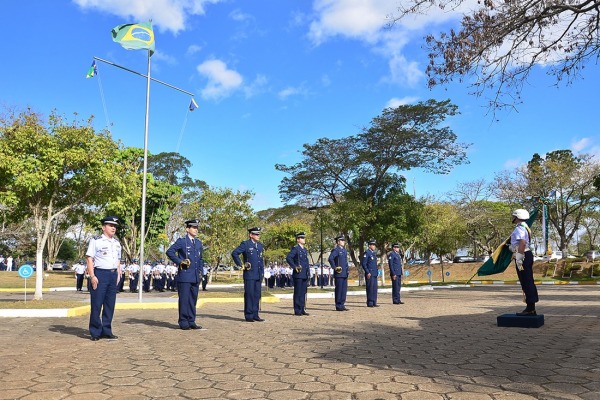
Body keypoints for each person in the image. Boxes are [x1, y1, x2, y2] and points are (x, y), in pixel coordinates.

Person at [86, 216, 122, 341]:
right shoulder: (96, 240)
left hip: (112, 275)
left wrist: (118, 273)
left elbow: (118, 260)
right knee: (97, 304)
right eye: (110, 225)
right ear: (103, 227)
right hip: (100, 274)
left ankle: (106, 330)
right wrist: (92, 276)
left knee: (109, 304)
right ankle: (95, 331)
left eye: (115, 226)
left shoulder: (117, 243)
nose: (113, 228)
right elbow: (89, 259)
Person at [166, 219, 204, 330]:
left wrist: (201, 272)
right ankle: (183, 321)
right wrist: (180, 262)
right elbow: (170, 252)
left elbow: (200, 259)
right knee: (184, 299)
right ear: (187, 229)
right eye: (193, 227)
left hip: (195, 276)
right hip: (185, 275)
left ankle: (191, 320)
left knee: (193, 299)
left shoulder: (198, 243)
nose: (195, 230)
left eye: (196, 228)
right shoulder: (182, 241)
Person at [231, 227, 265, 322]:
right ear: (251, 235)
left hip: (258, 274)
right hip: (250, 273)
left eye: (259, 234)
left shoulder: (260, 246)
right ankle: (249, 315)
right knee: (249, 294)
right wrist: (240, 264)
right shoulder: (246, 244)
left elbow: (260, 260)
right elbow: (235, 253)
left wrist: (262, 271)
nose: (258, 236)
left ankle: (255, 314)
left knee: (257, 294)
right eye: (256, 234)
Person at [510, 208, 538, 316]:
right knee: (527, 280)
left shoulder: (519, 228)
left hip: (523, 255)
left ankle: (530, 308)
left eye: (514, 216)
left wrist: (519, 258)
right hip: (526, 254)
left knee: (526, 281)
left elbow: (522, 243)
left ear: (517, 217)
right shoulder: (525, 227)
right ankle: (531, 307)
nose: (513, 218)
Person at [286, 232, 310, 316]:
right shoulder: (296, 249)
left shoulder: (304, 250)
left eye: (304, 238)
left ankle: (302, 308)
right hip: (298, 273)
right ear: (298, 240)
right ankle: (297, 310)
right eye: (302, 238)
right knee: (298, 292)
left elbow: (306, 263)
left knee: (303, 292)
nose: (304, 239)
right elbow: (289, 258)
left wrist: (308, 273)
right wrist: (294, 266)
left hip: (304, 274)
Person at [328, 235, 350, 311]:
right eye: (342, 240)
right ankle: (338, 305)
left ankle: (342, 304)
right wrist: (335, 267)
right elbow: (330, 259)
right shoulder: (336, 250)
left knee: (344, 290)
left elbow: (346, 262)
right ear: (338, 242)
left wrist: (347, 270)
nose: (344, 242)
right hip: (339, 273)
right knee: (339, 289)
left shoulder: (344, 250)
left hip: (344, 273)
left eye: (344, 240)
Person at [361, 239, 379, 307]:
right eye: (373, 245)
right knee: (370, 288)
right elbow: (364, 264)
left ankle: (374, 301)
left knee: (374, 288)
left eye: (374, 245)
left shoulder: (373, 254)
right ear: (369, 246)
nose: (374, 246)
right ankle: (370, 302)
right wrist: (367, 272)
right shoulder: (367, 253)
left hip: (374, 273)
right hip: (370, 274)